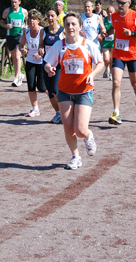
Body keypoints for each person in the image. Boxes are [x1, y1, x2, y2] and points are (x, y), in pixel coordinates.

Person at [43, 13, 104, 170]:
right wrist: (50, 68)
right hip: (64, 91)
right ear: (64, 27)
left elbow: (101, 63)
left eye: (73, 24)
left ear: (80, 26)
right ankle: (75, 156)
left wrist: (92, 74)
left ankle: (89, 136)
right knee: (69, 128)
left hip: (84, 91)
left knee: (80, 129)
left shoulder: (88, 44)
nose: (70, 27)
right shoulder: (59, 45)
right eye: (68, 24)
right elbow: (47, 63)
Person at [107, 0, 136, 125]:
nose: (119, 5)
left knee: (135, 83)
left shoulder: (135, 16)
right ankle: (116, 112)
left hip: (132, 55)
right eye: (118, 2)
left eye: (122, 3)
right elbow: (112, 28)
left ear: (129, 4)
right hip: (118, 55)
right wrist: (104, 33)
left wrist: (132, 33)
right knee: (116, 83)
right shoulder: (113, 16)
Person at [20, 9, 46, 117]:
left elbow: (47, 47)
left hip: (41, 62)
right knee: (31, 86)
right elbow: (21, 45)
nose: (32, 21)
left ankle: (57, 100)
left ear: (38, 21)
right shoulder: (26, 32)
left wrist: (41, 53)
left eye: (34, 19)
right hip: (30, 61)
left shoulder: (43, 31)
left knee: (42, 87)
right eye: (30, 19)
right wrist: (23, 49)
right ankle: (35, 109)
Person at [40, 8, 65, 123]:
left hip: (58, 64)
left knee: (55, 89)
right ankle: (58, 113)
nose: (50, 18)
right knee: (49, 92)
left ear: (56, 17)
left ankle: (65, 112)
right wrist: (40, 50)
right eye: (48, 16)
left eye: (52, 16)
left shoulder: (62, 31)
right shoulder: (43, 31)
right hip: (46, 64)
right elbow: (41, 45)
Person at [1, 0, 28, 86]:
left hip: (20, 36)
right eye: (12, 2)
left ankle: (16, 78)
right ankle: (20, 74)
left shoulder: (24, 12)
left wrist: (26, 27)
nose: (13, 4)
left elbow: (28, 23)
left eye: (15, 2)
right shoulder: (7, 11)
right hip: (10, 36)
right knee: (13, 57)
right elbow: (2, 22)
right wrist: (6, 26)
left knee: (17, 56)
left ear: (19, 2)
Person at [101, 5, 115, 80]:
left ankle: (111, 74)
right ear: (106, 12)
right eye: (109, 12)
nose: (110, 14)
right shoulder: (104, 20)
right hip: (106, 42)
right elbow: (101, 29)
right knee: (106, 59)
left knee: (112, 59)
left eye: (111, 12)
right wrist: (102, 32)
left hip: (113, 42)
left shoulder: (116, 20)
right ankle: (107, 69)